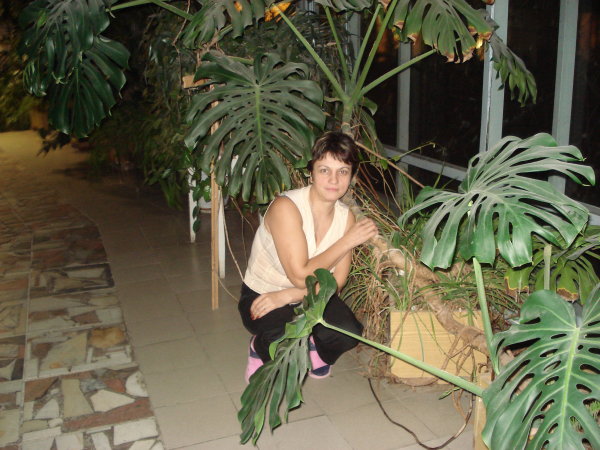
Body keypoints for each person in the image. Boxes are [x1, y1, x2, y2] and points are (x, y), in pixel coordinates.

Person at [238, 131, 378, 382]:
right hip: (264, 293)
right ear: (310, 173)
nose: (334, 179)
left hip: (307, 294)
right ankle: (259, 348)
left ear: (351, 176)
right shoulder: (286, 207)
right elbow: (300, 275)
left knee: (348, 332)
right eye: (324, 170)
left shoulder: (346, 218)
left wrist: (288, 296)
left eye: (343, 171)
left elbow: (338, 281)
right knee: (283, 340)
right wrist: (348, 241)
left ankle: (317, 351)